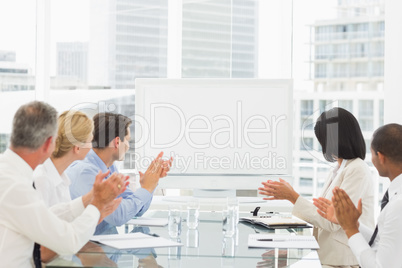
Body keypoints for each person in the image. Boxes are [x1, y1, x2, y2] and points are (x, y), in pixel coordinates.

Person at [0, 101, 129, 268]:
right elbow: (68, 241)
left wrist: (88, 200)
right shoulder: (15, 186)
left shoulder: (11, 174)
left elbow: (47, 216)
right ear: (48, 143)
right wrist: (96, 206)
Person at [258, 107, 375, 268]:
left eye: (325, 140)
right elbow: (324, 219)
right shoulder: (338, 169)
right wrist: (291, 253)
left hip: (346, 262)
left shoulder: (357, 170)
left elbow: (334, 222)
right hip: (330, 259)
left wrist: (292, 197)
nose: (323, 146)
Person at [67, 112, 172, 235]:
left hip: (107, 247)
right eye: (127, 140)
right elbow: (118, 216)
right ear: (117, 142)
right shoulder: (85, 172)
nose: (127, 146)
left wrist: (150, 183)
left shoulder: (108, 166)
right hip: (86, 250)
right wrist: (146, 188)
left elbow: (134, 210)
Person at [314, 123, 402, 268]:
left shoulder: (398, 204)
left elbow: (379, 265)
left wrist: (350, 229)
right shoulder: (395, 196)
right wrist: (354, 225)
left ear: (380, 157)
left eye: (372, 153)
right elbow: (381, 242)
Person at [34, 110, 94, 207]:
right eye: (90, 141)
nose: (91, 147)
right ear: (77, 148)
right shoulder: (41, 180)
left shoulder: (62, 178)